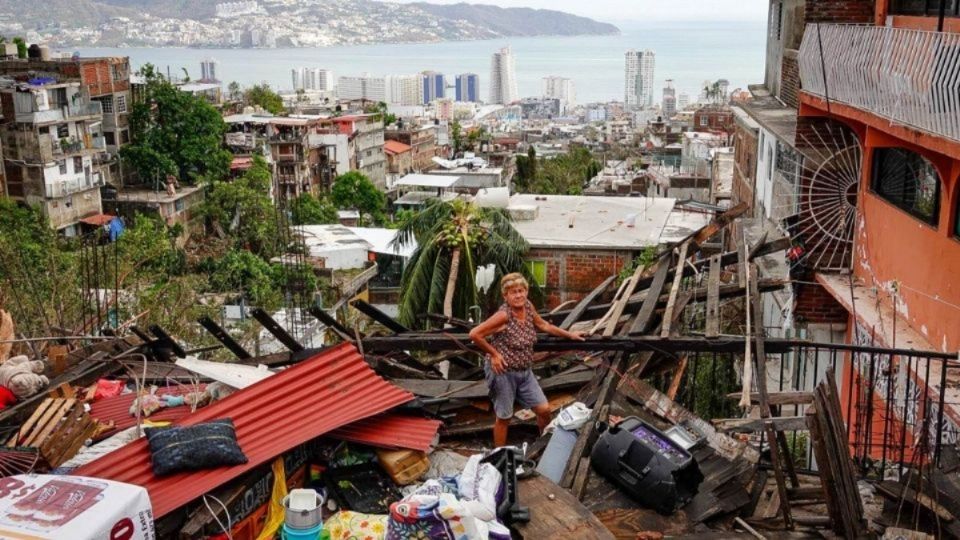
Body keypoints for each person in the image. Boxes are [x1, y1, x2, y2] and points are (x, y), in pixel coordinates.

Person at [469, 272, 586, 448]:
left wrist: (570, 335)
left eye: (521, 290)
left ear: (526, 291)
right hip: (503, 373)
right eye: (513, 292)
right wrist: (494, 354)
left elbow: (544, 325)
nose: (519, 295)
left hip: (525, 372)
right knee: (504, 416)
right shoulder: (504, 315)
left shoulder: (528, 307)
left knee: (544, 409)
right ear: (505, 295)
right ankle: (499, 454)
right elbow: (475, 334)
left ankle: (544, 445)